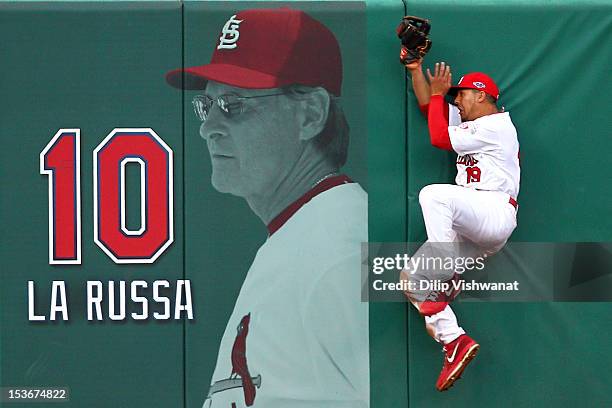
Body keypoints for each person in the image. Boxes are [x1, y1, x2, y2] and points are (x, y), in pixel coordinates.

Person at [166, 8, 368, 408]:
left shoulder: (344, 250)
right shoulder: (305, 231)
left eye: (234, 105)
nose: (209, 127)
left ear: (310, 114)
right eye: (208, 106)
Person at [401, 53, 520, 391]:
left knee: (434, 195)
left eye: (462, 95)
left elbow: (439, 138)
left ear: (481, 94)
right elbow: (430, 109)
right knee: (413, 277)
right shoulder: (471, 122)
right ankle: (454, 341)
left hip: (493, 209)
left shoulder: (497, 126)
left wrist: (440, 94)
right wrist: (415, 70)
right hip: (473, 222)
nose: (457, 102)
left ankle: (445, 272)